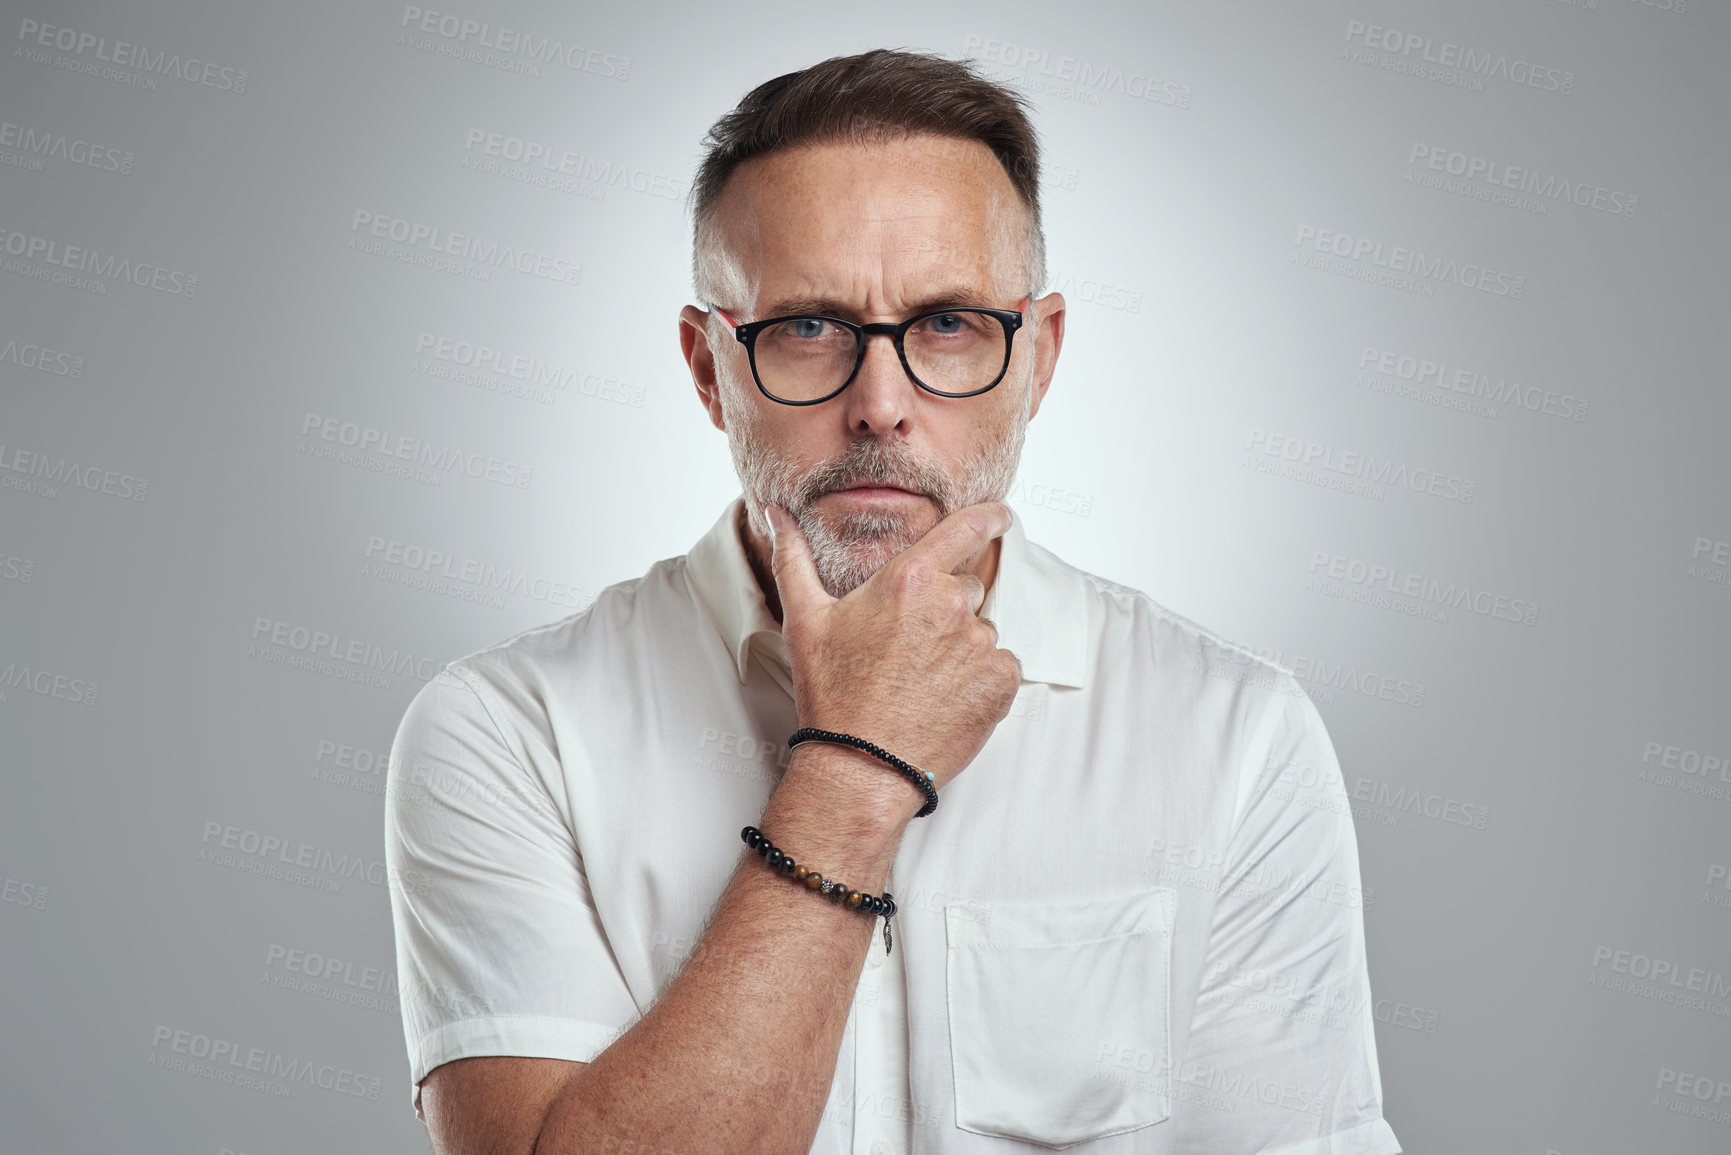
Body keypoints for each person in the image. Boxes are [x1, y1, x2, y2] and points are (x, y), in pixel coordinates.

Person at [385, 48, 1402, 1155]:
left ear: (1040, 357)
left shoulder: (1234, 735)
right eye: (810, 328)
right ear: (705, 366)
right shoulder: (507, 731)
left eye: (951, 325)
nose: (881, 405)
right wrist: (854, 767)